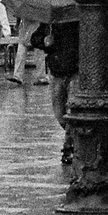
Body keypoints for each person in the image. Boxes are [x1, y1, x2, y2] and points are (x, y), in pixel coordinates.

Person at [43, 10, 80, 164]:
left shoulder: (79, 20)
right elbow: (35, 38)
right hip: (57, 71)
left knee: (72, 110)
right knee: (59, 113)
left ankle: (69, 147)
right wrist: (45, 41)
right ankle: (77, 137)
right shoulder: (51, 21)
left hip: (75, 71)